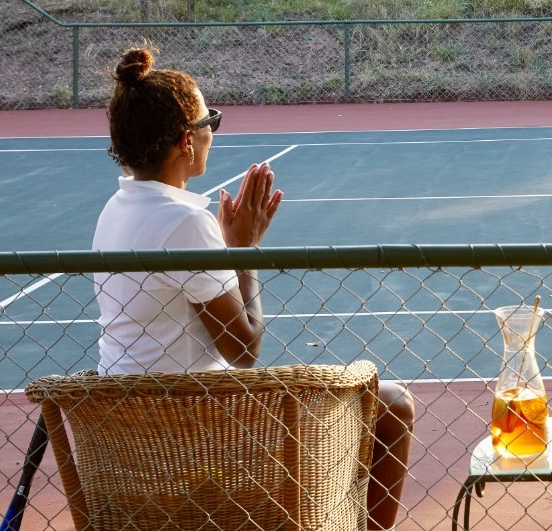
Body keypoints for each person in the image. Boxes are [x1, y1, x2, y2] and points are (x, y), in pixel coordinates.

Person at [97, 47, 415, 530]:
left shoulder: (115, 210)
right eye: (211, 123)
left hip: (127, 433)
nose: (212, 133)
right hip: (198, 432)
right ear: (187, 141)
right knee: (393, 404)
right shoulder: (184, 221)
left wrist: (226, 249)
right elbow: (245, 349)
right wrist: (244, 251)